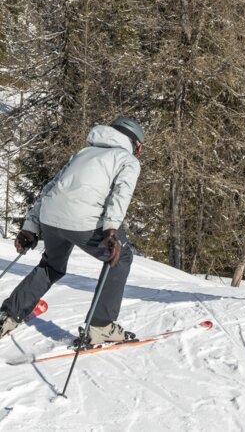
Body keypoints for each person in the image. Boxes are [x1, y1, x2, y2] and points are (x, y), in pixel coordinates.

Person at [0, 116, 144, 345]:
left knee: (51, 265)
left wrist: (31, 227)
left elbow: (51, 188)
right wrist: (112, 230)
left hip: (51, 217)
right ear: (136, 145)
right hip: (84, 221)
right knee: (121, 256)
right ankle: (100, 326)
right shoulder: (127, 159)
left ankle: (8, 315)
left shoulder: (83, 153)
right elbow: (121, 193)